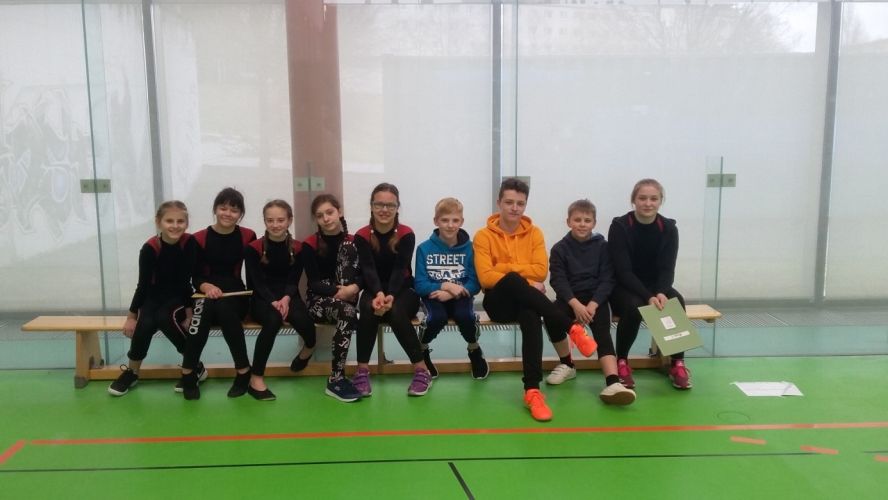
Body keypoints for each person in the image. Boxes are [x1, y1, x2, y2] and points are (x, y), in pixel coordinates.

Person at [474, 178, 597, 422]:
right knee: (511, 280)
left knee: (531, 315)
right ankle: (571, 327)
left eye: (520, 203)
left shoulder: (535, 233)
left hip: (525, 302)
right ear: (499, 203)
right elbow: (486, 277)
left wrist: (506, 269)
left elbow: (541, 271)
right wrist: (524, 279)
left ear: (525, 205)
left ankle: (532, 392)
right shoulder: (483, 236)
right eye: (509, 202)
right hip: (497, 302)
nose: (515, 208)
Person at [108, 201, 203, 396]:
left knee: (165, 318)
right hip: (154, 297)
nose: (175, 226)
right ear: (158, 222)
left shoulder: (189, 243)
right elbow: (142, 285)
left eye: (180, 221)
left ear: (186, 223)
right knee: (145, 323)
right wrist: (131, 316)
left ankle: (194, 367)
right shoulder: (150, 248)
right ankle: (133, 372)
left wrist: (188, 313)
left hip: (179, 297)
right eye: (169, 221)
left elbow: (186, 281)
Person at [549, 199, 635, 405]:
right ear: (568, 222)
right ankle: (567, 364)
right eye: (577, 219)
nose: (582, 224)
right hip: (570, 300)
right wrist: (575, 304)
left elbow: (608, 278)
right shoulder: (559, 248)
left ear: (594, 223)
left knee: (602, 332)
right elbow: (558, 280)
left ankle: (613, 382)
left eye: (587, 220)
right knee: (551, 317)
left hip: (596, 301)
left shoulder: (603, 247)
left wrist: (594, 304)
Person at [608, 178, 690, 390]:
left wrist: (661, 291)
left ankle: (677, 363)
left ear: (660, 201)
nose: (648, 203)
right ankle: (622, 361)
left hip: (656, 286)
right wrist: (648, 296)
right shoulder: (620, 226)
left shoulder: (669, 228)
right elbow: (623, 271)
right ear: (633, 200)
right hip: (625, 286)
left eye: (653, 199)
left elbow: (667, 268)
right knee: (634, 306)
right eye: (642, 198)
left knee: (676, 300)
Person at [353, 183, 432, 397]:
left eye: (390, 205)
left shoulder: (406, 234)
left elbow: (400, 269)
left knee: (395, 310)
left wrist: (390, 296)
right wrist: (379, 294)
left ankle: (421, 370)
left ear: (397, 207)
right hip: (374, 289)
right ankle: (362, 371)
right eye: (379, 204)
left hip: (403, 290)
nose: (384, 210)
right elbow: (368, 269)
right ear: (371, 206)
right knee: (368, 309)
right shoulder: (361, 235)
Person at [179, 187, 256, 400]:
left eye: (234, 209)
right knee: (202, 312)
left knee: (224, 309)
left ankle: (243, 371)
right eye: (223, 208)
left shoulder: (248, 236)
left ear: (240, 214)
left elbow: (253, 273)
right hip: (205, 295)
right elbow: (195, 276)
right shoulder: (199, 238)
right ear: (215, 209)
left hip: (235, 296)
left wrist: (254, 304)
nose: (227, 213)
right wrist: (206, 287)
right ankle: (188, 372)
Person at [243, 199, 316, 401]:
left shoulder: (298, 248)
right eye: (270, 220)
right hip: (262, 298)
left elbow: (294, 279)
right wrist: (273, 302)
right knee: (273, 320)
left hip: (289, 295)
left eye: (280, 220)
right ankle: (256, 379)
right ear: (264, 221)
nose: (275, 225)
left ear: (289, 220)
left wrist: (285, 299)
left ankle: (307, 350)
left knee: (306, 326)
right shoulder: (253, 248)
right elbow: (256, 282)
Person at [414, 197, 488, 380]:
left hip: (461, 295)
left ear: (461, 222)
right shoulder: (423, 248)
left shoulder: (471, 248)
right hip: (434, 296)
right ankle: (422, 349)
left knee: (466, 316)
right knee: (436, 318)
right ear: (436, 221)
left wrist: (453, 293)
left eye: (455, 220)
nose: (450, 225)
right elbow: (420, 285)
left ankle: (474, 349)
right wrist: (446, 286)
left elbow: (474, 283)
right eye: (445, 220)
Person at [302, 193, 363, 402]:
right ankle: (336, 379)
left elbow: (364, 274)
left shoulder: (354, 242)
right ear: (316, 219)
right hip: (318, 301)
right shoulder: (310, 244)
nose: (326, 218)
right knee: (348, 312)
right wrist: (338, 293)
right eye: (320, 216)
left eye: (329, 212)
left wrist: (353, 287)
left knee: (348, 246)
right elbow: (313, 283)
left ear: (339, 212)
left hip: (348, 296)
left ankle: (350, 375)